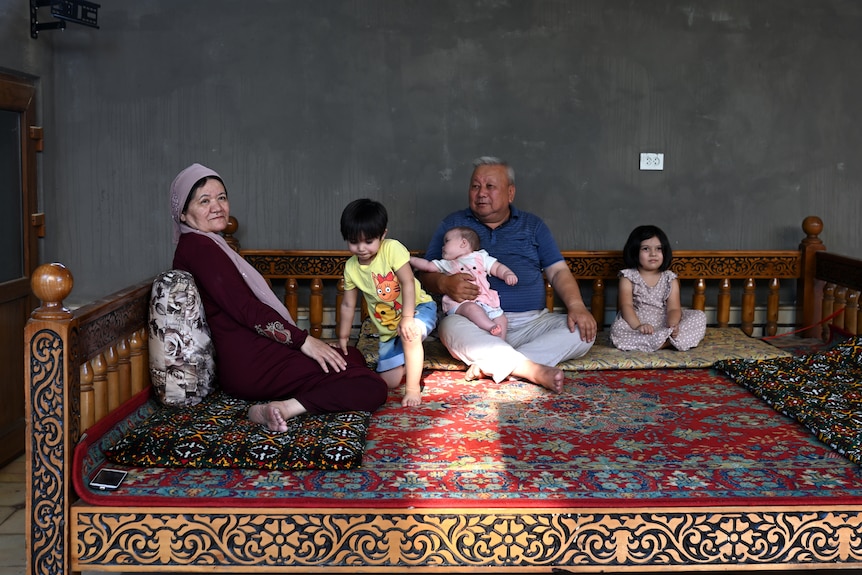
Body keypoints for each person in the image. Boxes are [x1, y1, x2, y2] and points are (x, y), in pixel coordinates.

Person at [170, 163, 388, 432]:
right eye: (205, 201)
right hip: (251, 364)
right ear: (183, 213)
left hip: (253, 354)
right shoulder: (201, 248)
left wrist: (304, 344)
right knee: (371, 386)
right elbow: (247, 309)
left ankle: (295, 396)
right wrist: (303, 341)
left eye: (222, 198)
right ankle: (284, 407)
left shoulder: (206, 244)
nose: (217, 207)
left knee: (350, 356)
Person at [419, 156, 596, 393]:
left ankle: (494, 364)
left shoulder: (533, 225)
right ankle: (530, 369)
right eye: (475, 186)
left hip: (531, 324)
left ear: (510, 193)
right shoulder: (453, 224)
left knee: (583, 333)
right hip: (474, 322)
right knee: (449, 327)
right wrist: (443, 282)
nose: (481, 193)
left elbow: (558, 271)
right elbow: (425, 273)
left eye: (490, 186)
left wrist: (577, 306)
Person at [338, 198, 438, 407]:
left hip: (418, 309)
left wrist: (408, 318)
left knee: (409, 335)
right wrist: (343, 336)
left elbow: (408, 282)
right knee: (389, 382)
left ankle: (413, 389)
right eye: (354, 242)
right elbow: (348, 305)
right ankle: (412, 358)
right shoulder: (351, 268)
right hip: (389, 327)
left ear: (383, 235)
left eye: (368, 241)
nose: (361, 248)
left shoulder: (392, 248)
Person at [610, 225, 706, 352]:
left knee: (699, 317)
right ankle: (666, 343)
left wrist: (672, 325)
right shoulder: (628, 277)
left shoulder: (669, 278)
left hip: (663, 322)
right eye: (645, 249)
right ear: (634, 251)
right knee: (618, 331)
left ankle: (662, 340)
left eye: (659, 249)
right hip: (638, 324)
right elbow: (626, 306)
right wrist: (638, 326)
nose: (653, 254)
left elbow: (674, 308)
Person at [410, 226, 518, 339]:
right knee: (472, 309)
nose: (443, 246)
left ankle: (501, 340)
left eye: (447, 241)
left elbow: (497, 268)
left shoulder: (480, 257)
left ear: (463, 243)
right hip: (462, 303)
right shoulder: (447, 263)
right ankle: (490, 326)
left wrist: (507, 274)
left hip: (485, 300)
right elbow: (427, 266)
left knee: (501, 318)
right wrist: (409, 259)